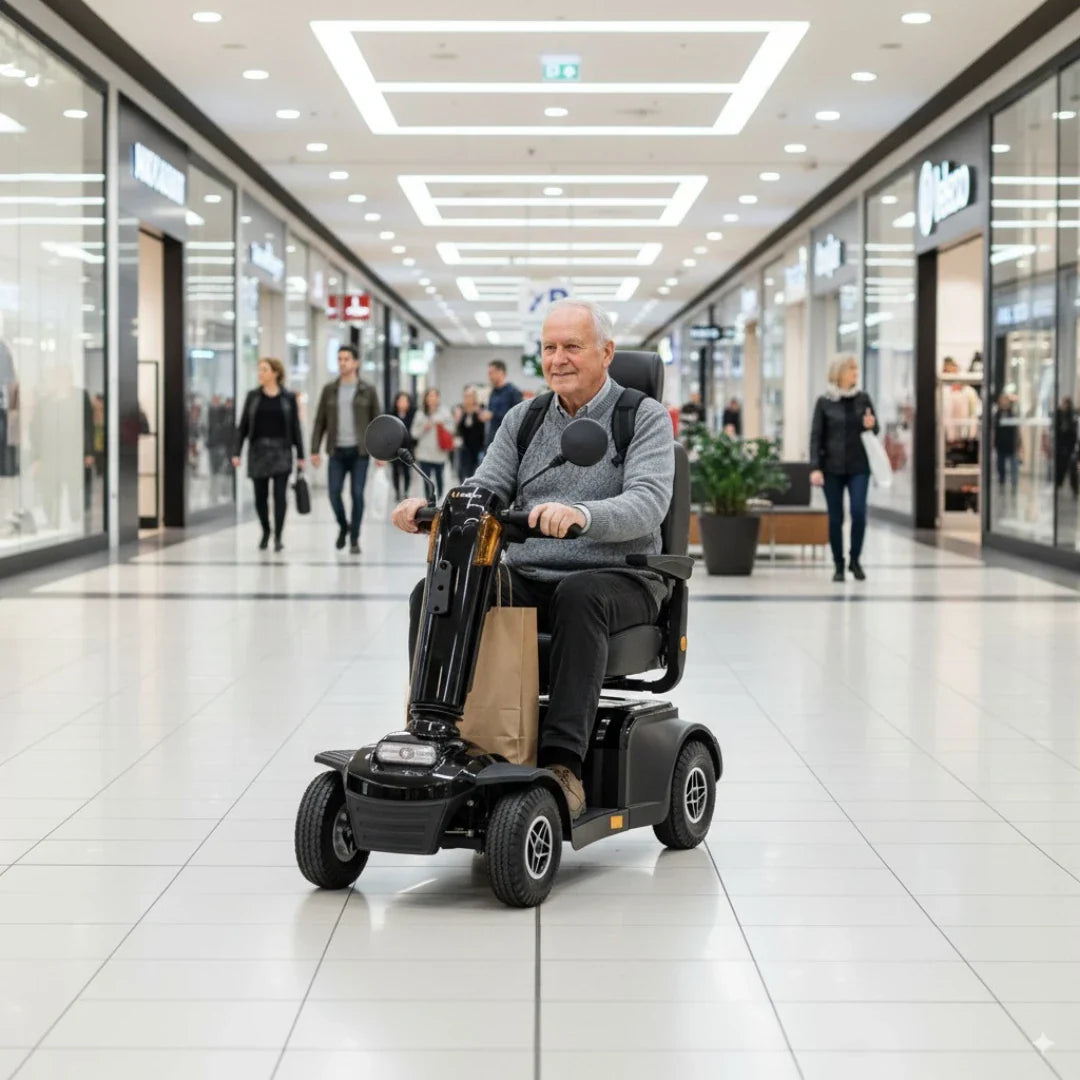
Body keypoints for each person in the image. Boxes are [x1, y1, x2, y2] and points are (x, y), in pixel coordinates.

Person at [392, 298, 674, 820]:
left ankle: (565, 765)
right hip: (530, 573)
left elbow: (648, 503)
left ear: (607, 352)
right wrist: (436, 510)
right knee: (439, 587)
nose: (558, 359)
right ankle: (434, 732)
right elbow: (486, 487)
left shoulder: (643, 417)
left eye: (573, 346)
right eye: (549, 347)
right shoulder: (525, 418)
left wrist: (581, 515)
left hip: (620, 577)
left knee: (579, 594)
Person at [809, 354, 879, 583]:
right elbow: (816, 436)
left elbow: (873, 431)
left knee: (859, 513)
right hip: (832, 467)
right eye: (852, 369)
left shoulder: (863, 399)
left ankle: (855, 559)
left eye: (856, 369)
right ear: (839, 373)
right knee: (835, 517)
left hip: (859, 465)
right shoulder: (824, 402)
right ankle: (838, 564)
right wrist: (815, 467)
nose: (856, 373)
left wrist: (872, 425)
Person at [310, 345, 382, 554]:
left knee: (357, 494)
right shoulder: (329, 389)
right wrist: (315, 449)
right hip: (336, 451)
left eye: (347, 359)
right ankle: (344, 526)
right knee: (333, 494)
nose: (342, 363)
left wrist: (380, 453)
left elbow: (377, 422)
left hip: (360, 452)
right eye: (339, 359)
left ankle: (355, 537)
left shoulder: (367, 390)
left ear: (356, 363)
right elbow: (319, 421)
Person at [232, 357, 305, 553]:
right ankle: (266, 529)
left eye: (264, 370)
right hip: (258, 451)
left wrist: (301, 455)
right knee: (260, 497)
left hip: (282, 451)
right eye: (259, 370)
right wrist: (236, 452)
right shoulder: (253, 397)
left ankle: (279, 536)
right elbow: (243, 426)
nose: (260, 373)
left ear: (275, 373)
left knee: (280, 496)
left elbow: (295, 427)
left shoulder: (288, 397)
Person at [411, 387, 453, 499]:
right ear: (426, 399)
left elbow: (452, 430)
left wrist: (443, 426)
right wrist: (424, 428)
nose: (432, 399)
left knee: (439, 479)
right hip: (424, 454)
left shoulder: (445, 412)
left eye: (435, 396)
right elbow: (413, 433)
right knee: (426, 480)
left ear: (438, 398)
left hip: (439, 454)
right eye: (430, 396)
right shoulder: (420, 414)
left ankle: (439, 500)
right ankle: (429, 501)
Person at [480, 359, 523, 447]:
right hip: (493, 439)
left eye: (491, 373)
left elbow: (517, 417)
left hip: (507, 441)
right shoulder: (493, 392)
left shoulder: (513, 392)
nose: (489, 377)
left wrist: (493, 415)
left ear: (500, 372)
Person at [390, 391, 416, 500]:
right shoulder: (391, 415)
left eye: (405, 401)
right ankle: (397, 491)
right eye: (400, 401)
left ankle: (406, 491)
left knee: (407, 471)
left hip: (408, 448)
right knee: (395, 472)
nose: (402, 404)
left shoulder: (413, 415)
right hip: (394, 449)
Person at [456, 386, 486, 480]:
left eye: (470, 396)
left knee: (474, 473)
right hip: (464, 447)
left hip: (477, 448)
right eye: (466, 396)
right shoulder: (461, 411)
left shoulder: (480, 410)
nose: (467, 398)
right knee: (462, 472)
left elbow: (482, 428)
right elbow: (459, 429)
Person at [993, 393, 1020, 494]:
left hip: (1011, 443)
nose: (1004, 403)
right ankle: (1002, 481)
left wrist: (1018, 442)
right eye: (1002, 400)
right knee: (1000, 465)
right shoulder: (997, 414)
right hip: (1000, 443)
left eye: (1006, 400)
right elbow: (994, 429)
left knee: (1014, 465)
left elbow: (1017, 429)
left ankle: (1014, 483)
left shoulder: (1012, 413)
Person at [1054, 396, 1078, 498]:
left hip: (1070, 446)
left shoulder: (1072, 416)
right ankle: (1058, 484)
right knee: (1060, 467)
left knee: (1072, 468)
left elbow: (1073, 432)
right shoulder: (1059, 414)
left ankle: (1075, 489)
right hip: (1060, 446)